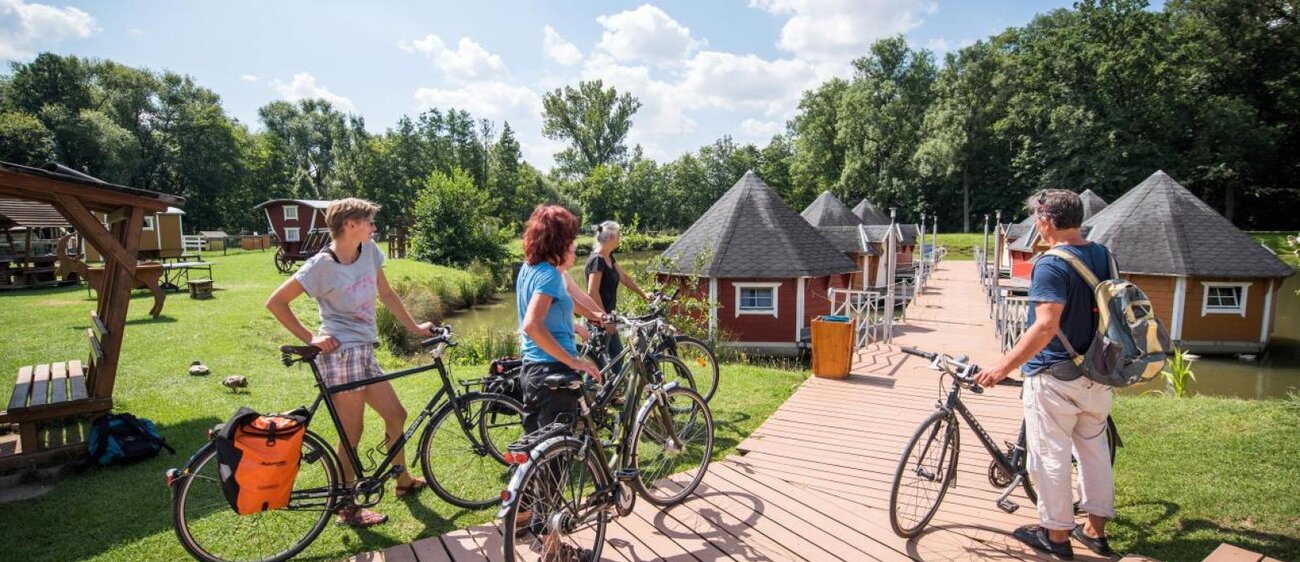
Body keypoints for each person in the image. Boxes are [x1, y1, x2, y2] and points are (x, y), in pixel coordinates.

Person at [265, 198, 434, 527]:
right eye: (369, 221)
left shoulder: (369, 251)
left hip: (364, 350)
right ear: (350, 225)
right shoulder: (320, 266)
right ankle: (346, 506)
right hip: (341, 354)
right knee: (352, 431)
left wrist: (414, 328)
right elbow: (276, 302)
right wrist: (309, 338)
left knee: (396, 414)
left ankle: (401, 480)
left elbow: (385, 294)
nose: (374, 227)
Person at [976, 189, 1116, 560]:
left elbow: (1045, 326)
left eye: (1037, 220)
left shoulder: (1052, 264)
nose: (1037, 226)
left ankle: (1055, 536)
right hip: (1098, 371)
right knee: (1094, 451)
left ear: (1047, 221)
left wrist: (1002, 366)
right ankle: (1095, 532)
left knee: (1051, 456)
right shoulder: (1103, 254)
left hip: (1055, 375)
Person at [514, 205, 604, 560]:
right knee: (555, 459)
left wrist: (589, 319)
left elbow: (569, 297)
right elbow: (533, 324)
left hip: (532, 372)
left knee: (533, 451)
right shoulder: (550, 276)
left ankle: (521, 518)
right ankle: (552, 547)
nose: (575, 245)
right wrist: (574, 360)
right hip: (554, 375)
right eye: (571, 239)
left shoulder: (532, 268)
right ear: (560, 241)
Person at [584, 221, 648, 374]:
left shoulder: (608, 257)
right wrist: (605, 319)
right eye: (618, 235)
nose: (620, 238)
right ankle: (591, 395)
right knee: (598, 366)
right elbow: (592, 293)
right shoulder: (597, 260)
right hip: (599, 321)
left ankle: (613, 396)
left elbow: (624, 277)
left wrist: (644, 294)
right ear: (611, 237)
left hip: (608, 319)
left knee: (617, 359)